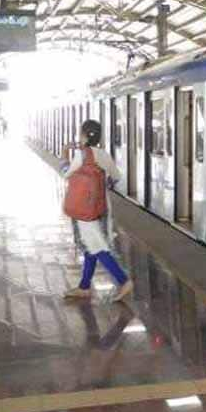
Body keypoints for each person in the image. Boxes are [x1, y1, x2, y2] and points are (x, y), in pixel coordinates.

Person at [61, 120, 133, 302]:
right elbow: (116, 177)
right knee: (90, 245)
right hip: (101, 206)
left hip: (84, 209)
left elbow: (65, 172)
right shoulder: (103, 155)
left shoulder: (82, 155)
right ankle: (84, 286)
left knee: (97, 247)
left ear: (84, 136)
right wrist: (100, 186)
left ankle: (124, 281)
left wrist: (64, 153)